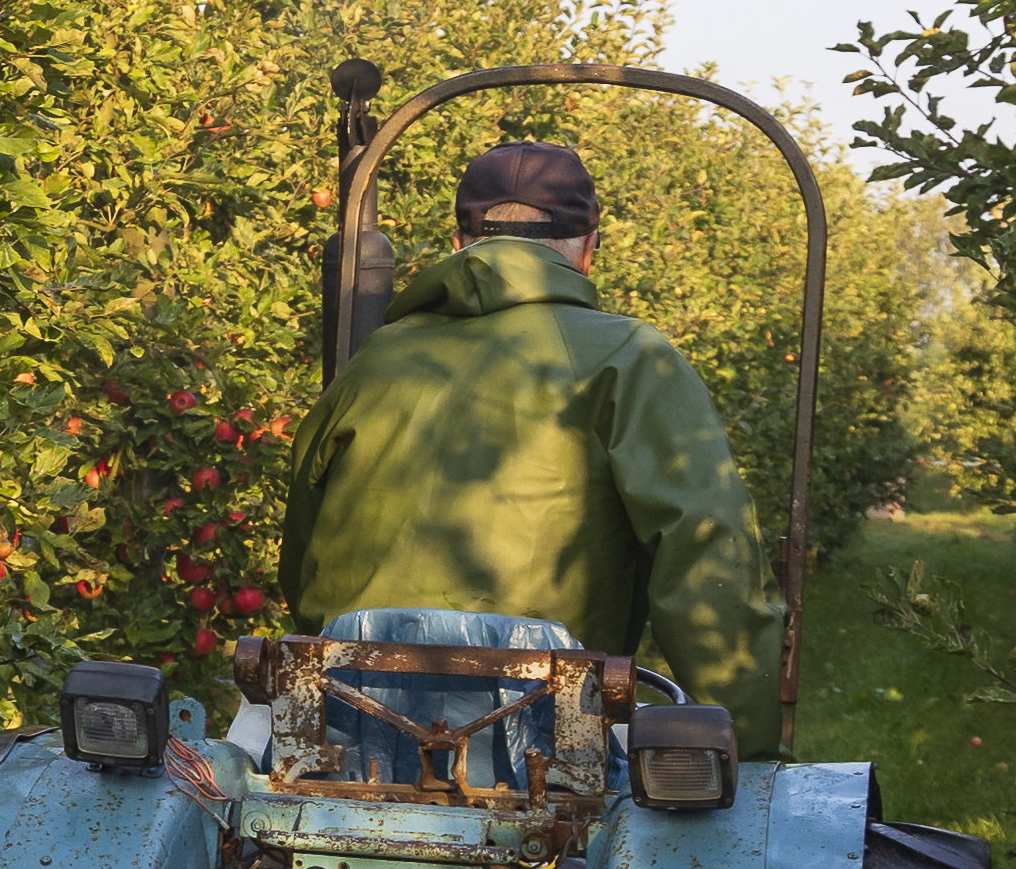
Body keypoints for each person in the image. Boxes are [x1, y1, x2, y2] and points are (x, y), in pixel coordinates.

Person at [275, 137, 780, 732]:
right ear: (589, 248)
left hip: (350, 729)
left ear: (461, 244)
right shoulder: (630, 358)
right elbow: (706, 546)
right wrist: (740, 738)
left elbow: (302, 549)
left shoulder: (375, 359)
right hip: (545, 735)